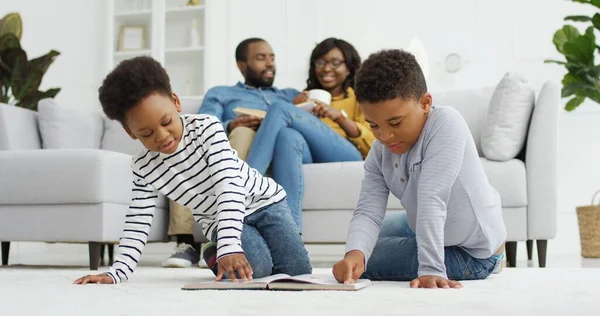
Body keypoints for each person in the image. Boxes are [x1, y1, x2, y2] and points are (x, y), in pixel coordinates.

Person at [74, 56, 311, 284]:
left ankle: (225, 247)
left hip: (264, 202)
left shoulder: (208, 129)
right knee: (256, 269)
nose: (162, 136)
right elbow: (138, 220)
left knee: (298, 271)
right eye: (146, 134)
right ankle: (213, 252)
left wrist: (230, 246)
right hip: (218, 218)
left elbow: (229, 186)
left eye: (166, 122)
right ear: (130, 132)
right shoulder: (144, 167)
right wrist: (117, 272)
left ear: (176, 102)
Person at [332, 49, 506, 289]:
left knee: (371, 259)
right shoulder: (379, 151)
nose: (385, 135)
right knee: (359, 246)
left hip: (472, 253)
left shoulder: (446, 123)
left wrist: (431, 270)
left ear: (425, 103)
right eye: (374, 125)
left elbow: (431, 199)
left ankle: (495, 259)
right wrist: (354, 253)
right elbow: (368, 212)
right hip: (428, 224)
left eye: (395, 122)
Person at [161, 37, 299, 268]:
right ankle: (185, 243)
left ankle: (218, 239)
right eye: (261, 57)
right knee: (184, 146)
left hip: (268, 155)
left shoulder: (288, 95)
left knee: (246, 134)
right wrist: (231, 125)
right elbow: (200, 123)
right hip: (226, 148)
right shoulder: (220, 93)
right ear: (241, 64)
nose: (269, 63)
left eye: (272, 58)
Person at [244, 38, 375, 228]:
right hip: (311, 154)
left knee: (280, 108)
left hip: (348, 152)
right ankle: (291, 238)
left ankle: (244, 183)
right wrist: (299, 109)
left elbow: (374, 143)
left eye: (335, 63)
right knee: (287, 137)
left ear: (349, 68)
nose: (326, 68)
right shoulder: (305, 96)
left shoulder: (360, 95)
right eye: (320, 62)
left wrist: (340, 118)